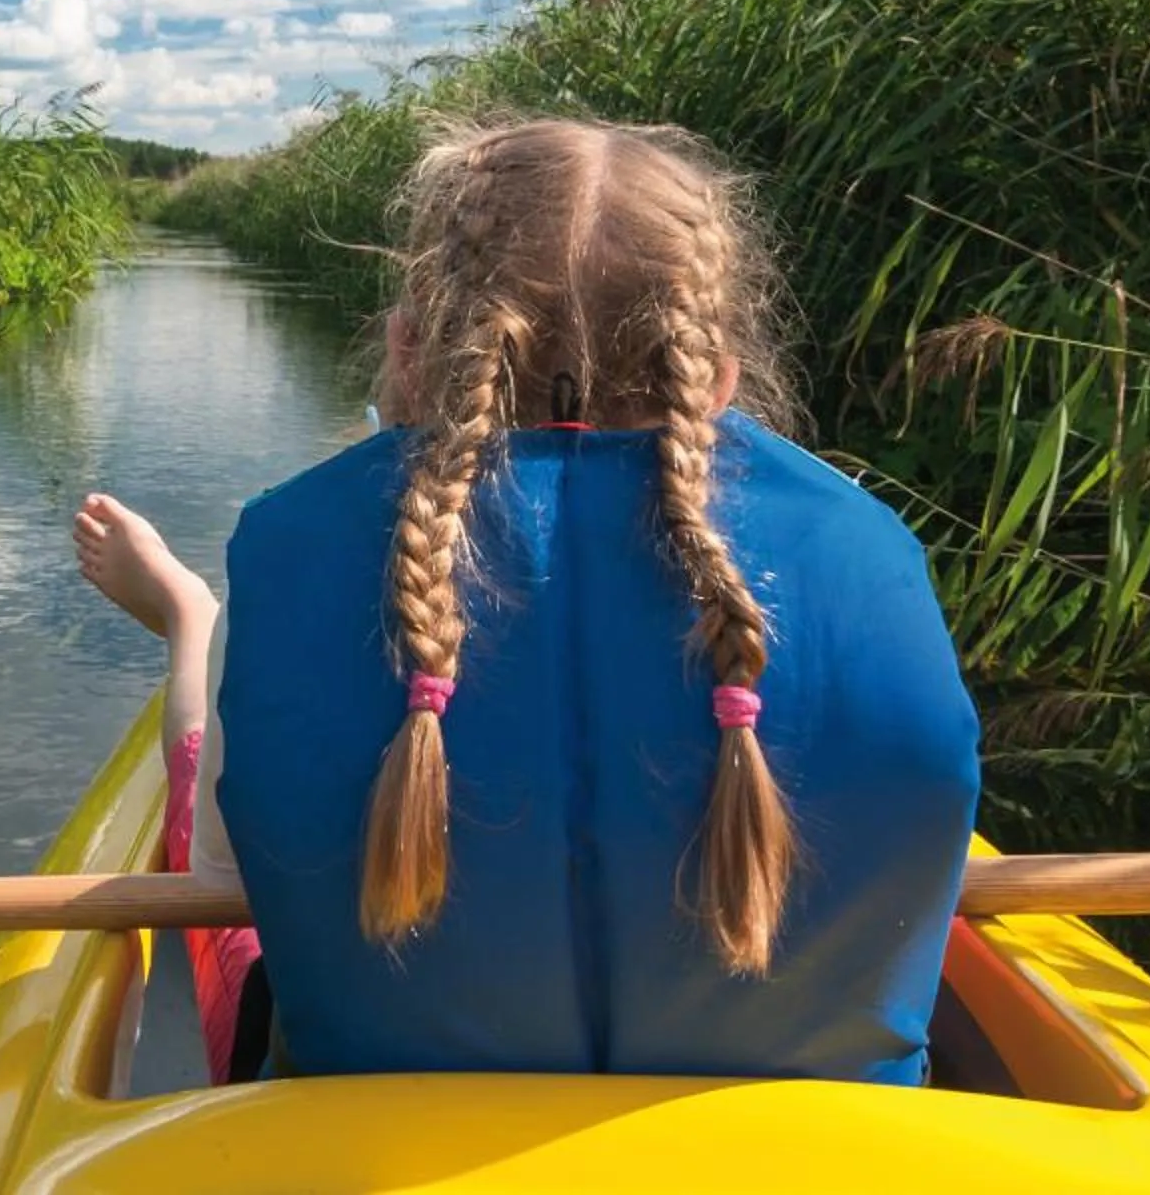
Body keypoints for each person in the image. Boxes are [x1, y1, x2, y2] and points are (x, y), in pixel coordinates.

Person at [73, 114, 979, 1086]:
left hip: (367, 1126)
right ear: (717, 380)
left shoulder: (289, 543)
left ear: (411, 354)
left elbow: (225, 887)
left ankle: (186, 617)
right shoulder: (872, 548)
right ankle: (188, 618)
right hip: (823, 1154)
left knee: (205, 759)